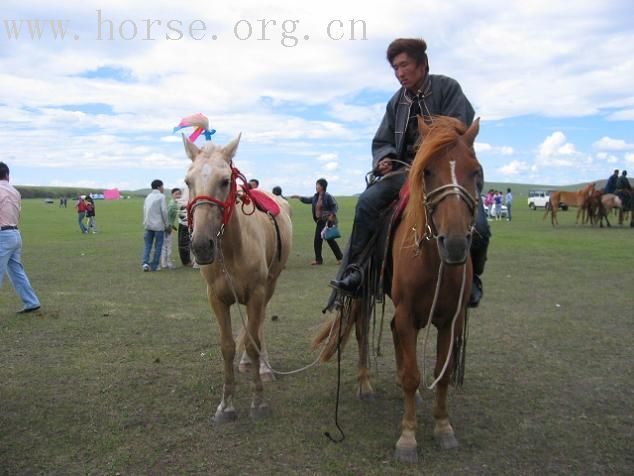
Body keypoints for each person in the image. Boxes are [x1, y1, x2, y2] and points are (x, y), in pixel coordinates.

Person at [330, 38, 490, 308]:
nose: (400, 73)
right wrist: (385, 158)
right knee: (367, 202)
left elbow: (459, 131)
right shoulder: (396, 102)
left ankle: (472, 279)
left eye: (404, 65)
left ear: (422, 64)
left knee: (482, 228)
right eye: (395, 68)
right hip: (404, 173)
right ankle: (358, 271)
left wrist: (429, 150)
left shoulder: (448, 88)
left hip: (445, 173)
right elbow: (382, 142)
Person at [0, 161, 41, 313]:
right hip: (15, 233)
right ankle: (31, 301)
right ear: (7, 175)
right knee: (16, 271)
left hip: (2, 235)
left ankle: (31, 301)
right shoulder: (15, 191)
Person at [291, 178, 343, 265]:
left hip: (326, 221)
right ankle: (329, 259)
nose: (316, 186)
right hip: (320, 221)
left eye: (318, 185)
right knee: (323, 240)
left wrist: (331, 216)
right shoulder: (316, 196)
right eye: (316, 185)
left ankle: (335, 259)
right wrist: (298, 197)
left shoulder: (327, 196)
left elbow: (334, 206)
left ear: (322, 186)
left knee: (324, 240)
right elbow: (308, 200)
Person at [142, 179, 168, 272]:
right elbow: (164, 211)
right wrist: (167, 224)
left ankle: (145, 263)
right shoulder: (161, 197)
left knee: (147, 245)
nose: (163, 188)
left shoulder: (148, 196)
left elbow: (145, 210)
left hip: (148, 224)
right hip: (158, 225)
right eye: (162, 186)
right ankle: (155, 265)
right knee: (158, 246)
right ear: (159, 187)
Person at [160, 188, 181, 269]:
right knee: (167, 246)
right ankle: (168, 263)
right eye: (176, 194)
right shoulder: (173, 205)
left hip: (167, 227)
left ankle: (164, 263)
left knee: (165, 245)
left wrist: (172, 226)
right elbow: (166, 217)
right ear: (172, 195)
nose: (178, 196)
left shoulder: (173, 204)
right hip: (167, 228)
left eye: (179, 194)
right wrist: (168, 226)